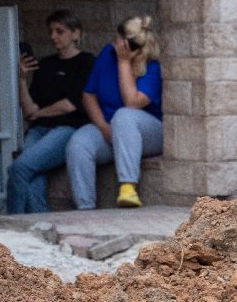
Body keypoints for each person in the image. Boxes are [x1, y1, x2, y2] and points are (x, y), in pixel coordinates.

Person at [65, 15, 164, 210]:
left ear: (130, 46)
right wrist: (103, 127)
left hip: (149, 134)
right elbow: (88, 95)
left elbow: (132, 101)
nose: (114, 42)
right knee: (78, 145)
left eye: (118, 40)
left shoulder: (152, 66)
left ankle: (128, 188)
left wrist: (123, 63)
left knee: (124, 116)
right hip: (109, 129)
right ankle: (85, 207)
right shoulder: (106, 54)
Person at [7, 10, 97, 215]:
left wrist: (39, 114)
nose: (53, 36)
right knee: (33, 176)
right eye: (51, 32)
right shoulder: (46, 64)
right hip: (39, 130)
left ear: (76, 34)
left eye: (60, 31)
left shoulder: (87, 62)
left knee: (18, 169)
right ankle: (41, 223)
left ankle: (13, 221)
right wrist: (21, 79)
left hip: (67, 129)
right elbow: (29, 109)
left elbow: (70, 105)